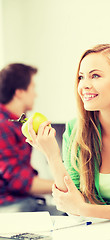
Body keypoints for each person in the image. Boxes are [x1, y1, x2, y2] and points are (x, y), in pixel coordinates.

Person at [27, 44, 110, 222]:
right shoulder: (75, 130)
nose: (84, 85)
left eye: (95, 76)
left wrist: (83, 208)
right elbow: (72, 210)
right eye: (81, 77)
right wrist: (51, 155)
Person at [0, 63, 65, 215]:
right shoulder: (3, 126)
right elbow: (19, 182)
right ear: (20, 92)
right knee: (66, 216)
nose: (35, 94)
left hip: (21, 201)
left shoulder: (16, 124)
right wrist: (69, 185)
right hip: (9, 205)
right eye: (32, 87)